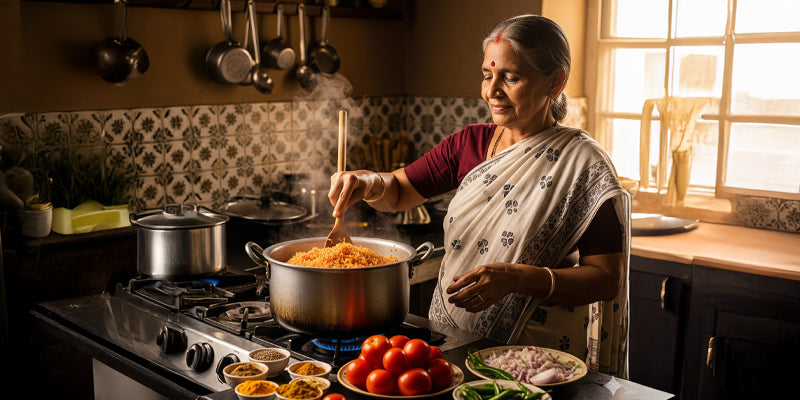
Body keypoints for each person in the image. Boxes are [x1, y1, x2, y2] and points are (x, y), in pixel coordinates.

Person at [328, 14, 630, 377]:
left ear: (555, 81)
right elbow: (400, 190)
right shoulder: (469, 143)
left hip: (536, 361)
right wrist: (368, 182)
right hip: (452, 344)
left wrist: (517, 278)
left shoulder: (583, 166)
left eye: (511, 77)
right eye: (488, 75)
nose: (492, 91)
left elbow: (606, 278)